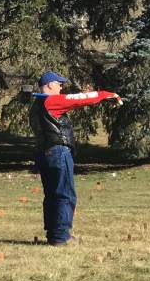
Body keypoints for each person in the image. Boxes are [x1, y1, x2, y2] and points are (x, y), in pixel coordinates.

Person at [30, 72, 122, 246]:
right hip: (58, 152)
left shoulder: (36, 105)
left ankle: (54, 234)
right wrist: (106, 95)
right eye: (59, 84)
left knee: (51, 195)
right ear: (50, 85)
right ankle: (61, 236)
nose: (61, 87)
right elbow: (79, 99)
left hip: (43, 154)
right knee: (65, 194)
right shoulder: (51, 101)